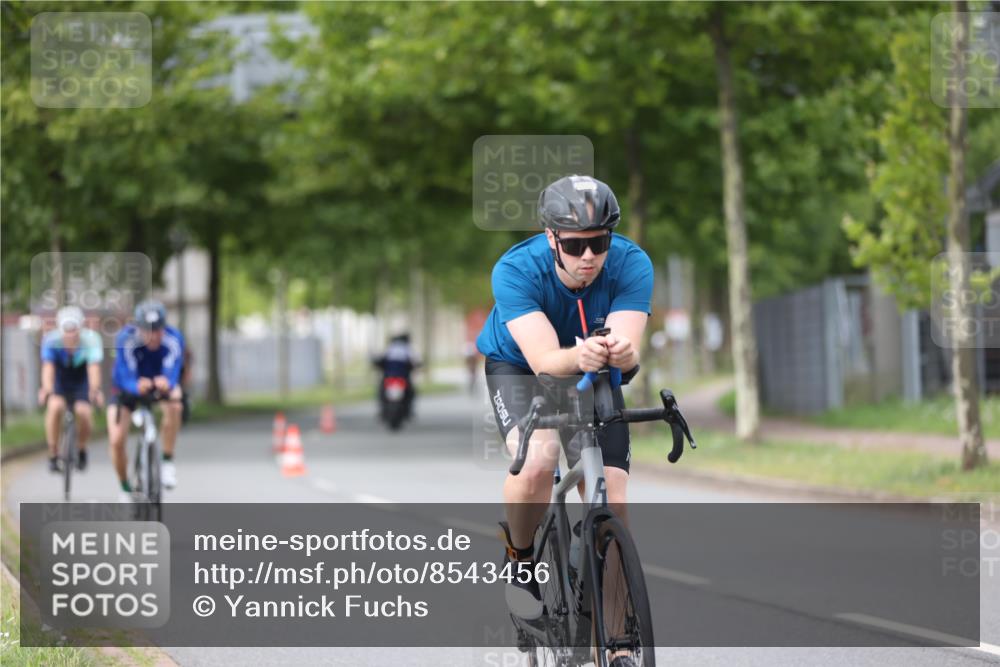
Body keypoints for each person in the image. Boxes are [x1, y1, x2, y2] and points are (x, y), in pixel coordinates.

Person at [476, 175, 653, 634]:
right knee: (540, 460)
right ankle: (520, 558)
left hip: (591, 371)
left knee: (613, 498)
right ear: (551, 238)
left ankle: (615, 639)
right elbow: (546, 362)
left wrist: (626, 354)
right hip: (522, 367)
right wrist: (580, 355)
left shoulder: (632, 264)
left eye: (599, 242)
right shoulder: (515, 270)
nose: (589, 256)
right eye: (575, 246)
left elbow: (627, 344)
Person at [107, 300, 185, 502]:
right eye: (148, 331)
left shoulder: (174, 338)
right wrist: (135, 386)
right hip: (127, 386)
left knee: (176, 403)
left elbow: (174, 369)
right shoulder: (126, 338)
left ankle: (167, 460)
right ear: (139, 328)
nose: (153, 336)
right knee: (116, 439)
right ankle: (125, 487)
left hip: (158, 383)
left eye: (158, 330)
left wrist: (167, 382)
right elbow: (124, 373)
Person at [38, 306, 104, 473]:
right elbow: (48, 368)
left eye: (73, 330)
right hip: (60, 379)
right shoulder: (51, 340)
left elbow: (93, 369)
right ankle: (53, 453)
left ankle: (81, 448)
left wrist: (95, 390)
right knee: (54, 407)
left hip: (82, 379)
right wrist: (46, 389)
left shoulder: (91, 340)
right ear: (60, 329)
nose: (70, 335)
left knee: (84, 413)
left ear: (80, 328)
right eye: (66, 330)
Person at [373, 333, 420, 419]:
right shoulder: (407, 349)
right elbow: (416, 361)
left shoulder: (389, 349)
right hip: (402, 377)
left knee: (381, 391)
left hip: (389, 376)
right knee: (411, 392)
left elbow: (379, 360)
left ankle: (382, 410)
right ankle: (408, 410)